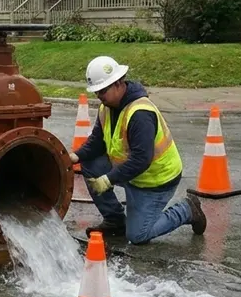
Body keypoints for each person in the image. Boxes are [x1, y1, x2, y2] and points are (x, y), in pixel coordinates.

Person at [68, 55, 206, 244]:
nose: (99, 96)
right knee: (90, 163)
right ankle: (115, 221)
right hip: (133, 175)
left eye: (103, 90)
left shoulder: (140, 113)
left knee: (138, 236)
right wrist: (74, 156)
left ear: (118, 83)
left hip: (156, 181)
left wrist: (108, 179)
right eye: (96, 92)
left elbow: (142, 159)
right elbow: (97, 143)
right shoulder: (107, 107)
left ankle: (188, 209)